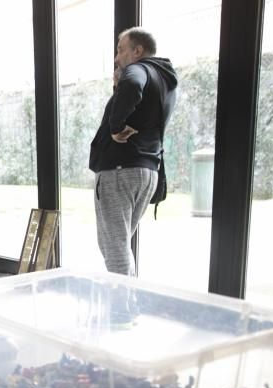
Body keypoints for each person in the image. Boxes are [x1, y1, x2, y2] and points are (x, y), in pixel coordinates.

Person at [89, 27, 178, 277]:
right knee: (120, 245)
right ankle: (127, 304)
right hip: (146, 171)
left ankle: (122, 312)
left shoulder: (137, 70)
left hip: (120, 170)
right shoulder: (165, 79)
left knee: (114, 248)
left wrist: (115, 126)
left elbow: (133, 82)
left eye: (120, 50)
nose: (117, 58)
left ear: (137, 51)